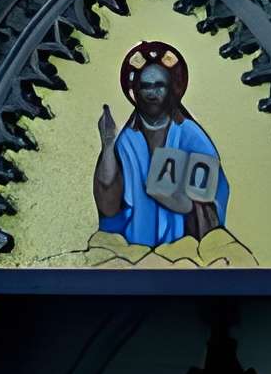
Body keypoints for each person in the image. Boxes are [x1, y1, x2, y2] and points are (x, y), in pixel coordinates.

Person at [94, 42, 227, 246]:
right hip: (137, 246)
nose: (151, 92)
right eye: (145, 86)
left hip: (184, 248)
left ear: (172, 90)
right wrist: (108, 145)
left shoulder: (190, 135)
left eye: (159, 85)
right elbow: (109, 205)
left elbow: (211, 199)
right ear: (135, 92)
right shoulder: (129, 140)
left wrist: (181, 203)